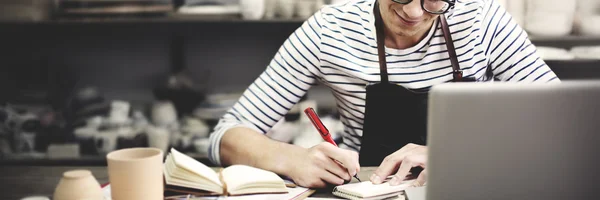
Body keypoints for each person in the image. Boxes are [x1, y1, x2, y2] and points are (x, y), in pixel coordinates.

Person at [208, 0, 560, 188]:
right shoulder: (329, 30)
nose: (412, 12)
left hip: (473, 186)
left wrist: (452, 155)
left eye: (433, 0)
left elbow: (561, 124)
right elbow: (226, 135)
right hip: (370, 191)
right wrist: (291, 159)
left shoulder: (483, 21)